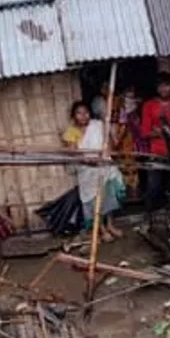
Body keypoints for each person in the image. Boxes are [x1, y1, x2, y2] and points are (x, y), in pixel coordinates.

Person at [73, 101, 125, 242]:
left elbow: (108, 143)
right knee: (95, 200)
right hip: (87, 170)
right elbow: (75, 153)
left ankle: (110, 225)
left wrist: (107, 150)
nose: (83, 116)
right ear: (74, 116)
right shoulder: (71, 132)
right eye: (79, 113)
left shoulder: (98, 125)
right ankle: (101, 229)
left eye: (86, 112)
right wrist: (89, 161)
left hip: (103, 166)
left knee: (108, 196)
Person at [139, 72, 170, 210]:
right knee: (153, 186)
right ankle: (147, 218)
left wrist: (163, 131)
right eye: (161, 86)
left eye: (167, 85)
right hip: (156, 153)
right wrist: (168, 130)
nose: (164, 89)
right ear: (156, 88)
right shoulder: (149, 106)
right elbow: (145, 131)